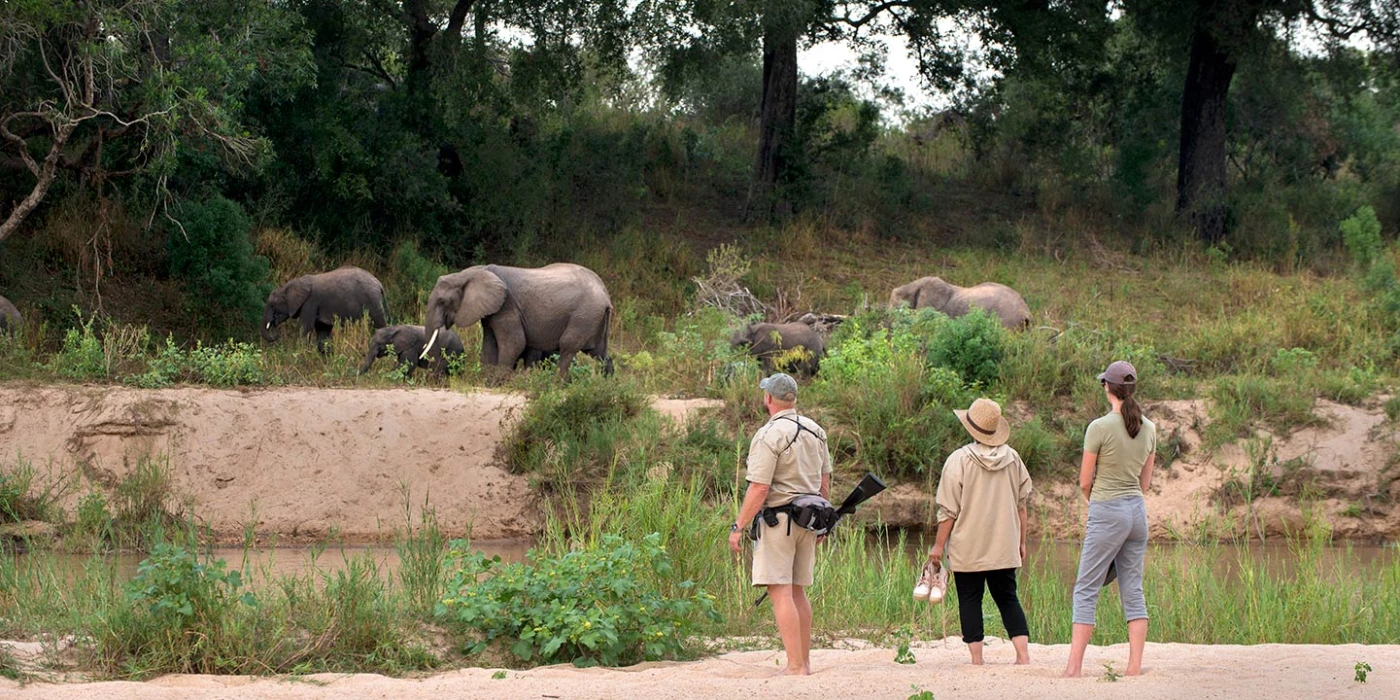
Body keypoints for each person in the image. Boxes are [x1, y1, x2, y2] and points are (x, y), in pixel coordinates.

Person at [728, 372, 832, 676]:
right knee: (798, 591)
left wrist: (738, 527)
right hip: (810, 517)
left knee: (780, 591)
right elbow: (824, 483)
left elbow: (759, 488)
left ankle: (795, 666)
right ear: (794, 399)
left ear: (769, 399)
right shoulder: (816, 431)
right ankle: (805, 663)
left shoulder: (768, 435)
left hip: (779, 522)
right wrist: (823, 524)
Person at [1062, 360, 1157, 678]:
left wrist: (1100, 506)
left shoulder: (1099, 428)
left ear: (1107, 387)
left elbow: (1085, 482)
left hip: (1107, 509)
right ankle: (1133, 668)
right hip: (1137, 513)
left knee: (1086, 587)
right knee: (1133, 589)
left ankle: (1073, 668)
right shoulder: (1150, 428)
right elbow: (1145, 484)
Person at [926, 397, 1033, 665]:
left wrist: (938, 546)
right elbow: (1022, 506)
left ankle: (977, 661)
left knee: (970, 599)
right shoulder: (1013, 459)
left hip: (968, 545)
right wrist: (1021, 542)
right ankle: (1023, 656)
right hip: (1003, 544)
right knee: (1008, 598)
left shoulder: (958, 460)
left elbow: (948, 511)